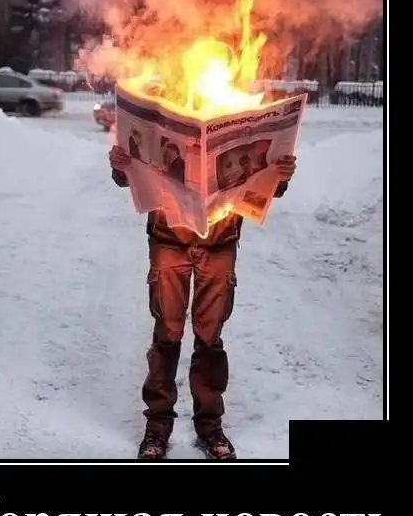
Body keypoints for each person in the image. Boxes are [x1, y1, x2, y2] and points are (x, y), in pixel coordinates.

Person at [109, 142, 297, 461]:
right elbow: (129, 175)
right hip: (169, 238)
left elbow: (265, 183)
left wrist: (281, 175)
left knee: (210, 338)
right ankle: (158, 425)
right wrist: (120, 164)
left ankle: (209, 426)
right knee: (167, 334)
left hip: (220, 240)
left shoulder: (233, 113)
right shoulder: (166, 110)